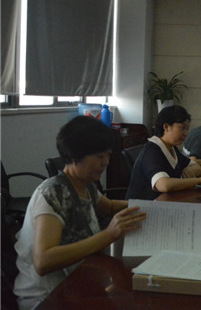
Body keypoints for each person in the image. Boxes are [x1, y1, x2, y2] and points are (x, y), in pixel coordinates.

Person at [13, 116, 147, 309]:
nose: (106, 162)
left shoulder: (85, 185)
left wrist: (148, 206)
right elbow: (43, 261)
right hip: (46, 297)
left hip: (77, 284)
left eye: (108, 155)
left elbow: (109, 206)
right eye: (99, 157)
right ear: (75, 155)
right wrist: (108, 235)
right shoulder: (53, 193)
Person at [126, 105, 201, 200]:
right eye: (182, 128)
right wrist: (198, 181)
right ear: (166, 127)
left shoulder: (171, 148)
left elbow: (197, 167)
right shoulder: (152, 151)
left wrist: (188, 170)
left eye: (187, 129)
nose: (186, 133)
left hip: (164, 202)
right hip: (142, 207)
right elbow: (164, 185)